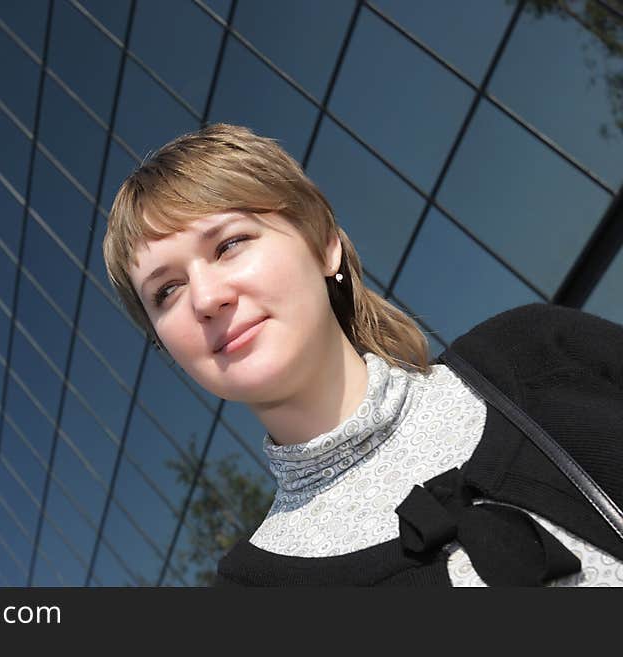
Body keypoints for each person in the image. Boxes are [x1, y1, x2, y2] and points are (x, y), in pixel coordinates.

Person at [102, 123, 623, 586]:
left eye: (229, 244)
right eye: (165, 291)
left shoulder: (536, 355)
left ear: (325, 243)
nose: (205, 298)